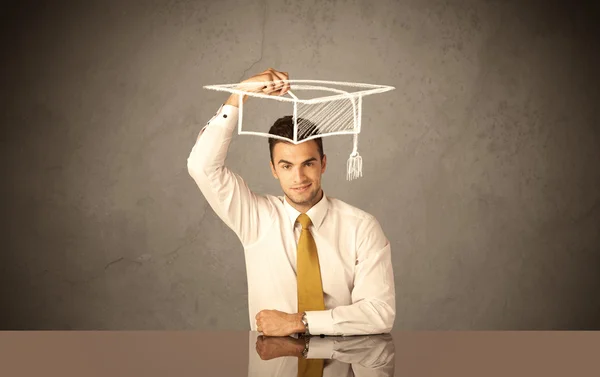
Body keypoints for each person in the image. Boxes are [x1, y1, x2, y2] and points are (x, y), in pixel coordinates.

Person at [187, 68, 395, 337]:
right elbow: (201, 166)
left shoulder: (361, 227)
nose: (298, 177)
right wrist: (242, 93)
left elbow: (379, 312)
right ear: (274, 169)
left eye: (308, 163)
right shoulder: (254, 218)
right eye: (286, 166)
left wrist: (300, 322)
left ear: (323, 164)